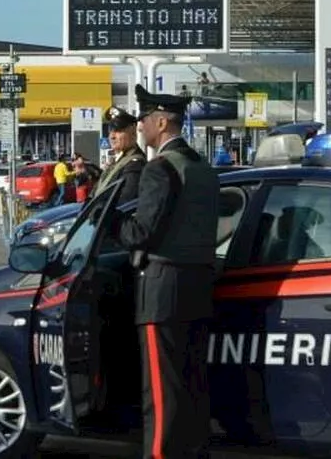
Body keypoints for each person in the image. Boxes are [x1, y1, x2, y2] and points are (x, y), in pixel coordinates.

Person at [114, 85, 219, 459]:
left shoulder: (160, 169)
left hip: (163, 290)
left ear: (161, 121)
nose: (140, 127)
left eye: (143, 120)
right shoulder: (202, 169)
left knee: (160, 393)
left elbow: (143, 232)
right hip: (198, 286)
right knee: (192, 384)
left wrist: (111, 224)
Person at [91, 106, 146, 203]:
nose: (112, 136)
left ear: (133, 132)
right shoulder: (118, 161)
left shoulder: (135, 164)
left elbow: (124, 203)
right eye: (110, 131)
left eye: (118, 131)